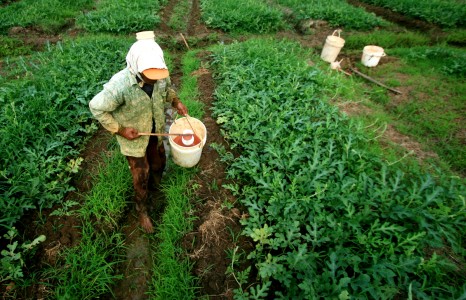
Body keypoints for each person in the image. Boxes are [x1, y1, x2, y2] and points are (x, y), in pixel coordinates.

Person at [89, 31, 188, 233]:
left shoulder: (160, 75)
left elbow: (167, 89)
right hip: (134, 138)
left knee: (159, 163)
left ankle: (157, 189)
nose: (153, 81)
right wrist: (120, 129)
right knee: (141, 176)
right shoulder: (120, 85)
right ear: (136, 68)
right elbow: (96, 107)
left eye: (156, 77)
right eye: (148, 77)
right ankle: (142, 210)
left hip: (155, 131)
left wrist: (176, 101)